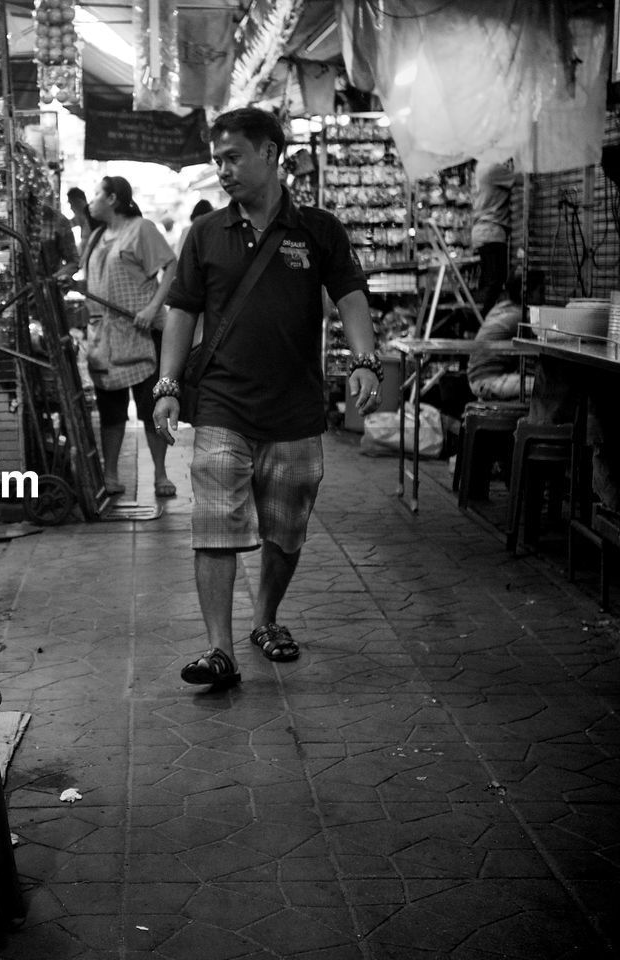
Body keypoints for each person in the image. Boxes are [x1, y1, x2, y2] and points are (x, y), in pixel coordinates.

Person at [153, 106, 381, 688]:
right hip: (223, 405)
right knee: (215, 526)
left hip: (295, 409)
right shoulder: (205, 234)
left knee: (286, 530)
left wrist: (363, 360)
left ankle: (267, 619)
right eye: (217, 160)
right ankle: (218, 649)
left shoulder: (320, 230)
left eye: (233, 158)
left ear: (271, 154)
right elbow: (182, 311)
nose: (223, 171)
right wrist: (168, 385)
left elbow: (350, 294)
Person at [83, 175, 178, 499]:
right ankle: (110, 475)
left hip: (141, 334)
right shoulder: (97, 236)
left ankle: (161, 474)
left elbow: (171, 265)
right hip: (106, 339)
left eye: (96, 194)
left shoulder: (142, 229)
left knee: (151, 407)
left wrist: (154, 307)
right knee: (111, 410)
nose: (91, 201)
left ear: (112, 198)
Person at [467, 273, 536, 401]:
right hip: (489, 381)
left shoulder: (501, 307)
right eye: (540, 290)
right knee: (544, 388)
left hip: (478, 379)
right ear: (525, 293)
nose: (543, 296)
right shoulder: (520, 317)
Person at [471, 159, 517, 318]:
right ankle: (482, 319)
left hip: (483, 230)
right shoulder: (493, 168)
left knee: (489, 279)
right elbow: (520, 180)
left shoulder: (481, 166)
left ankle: (480, 317)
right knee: (496, 280)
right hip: (492, 230)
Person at [66, 186, 100, 262]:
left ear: (78, 201)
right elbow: (66, 224)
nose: (71, 208)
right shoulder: (81, 217)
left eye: (71, 203)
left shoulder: (92, 216)